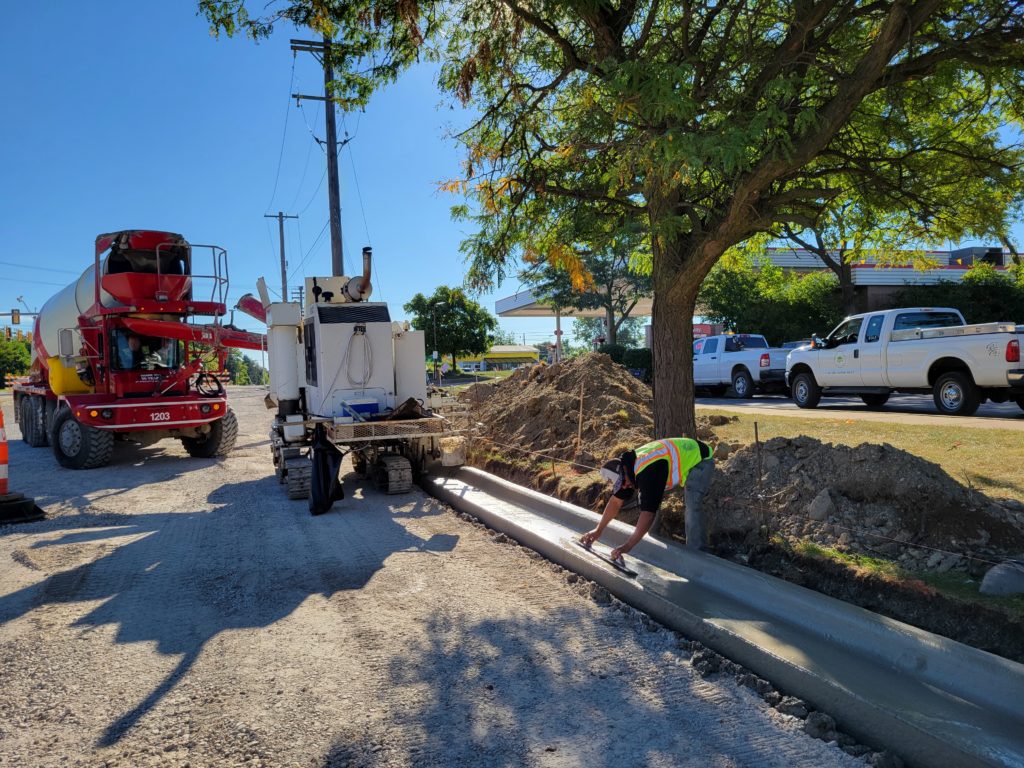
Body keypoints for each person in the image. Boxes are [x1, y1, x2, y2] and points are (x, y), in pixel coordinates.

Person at [580, 437, 716, 566]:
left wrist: (628, 546)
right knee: (647, 499)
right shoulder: (627, 470)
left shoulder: (648, 472)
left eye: (624, 483)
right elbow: (615, 502)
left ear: (624, 471)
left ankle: (697, 556)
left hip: (700, 460)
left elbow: (648, 513)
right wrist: (598, 530)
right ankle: (653, 539)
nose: (625, 486)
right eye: (621, 484)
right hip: (669, 463)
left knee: (692, 506)